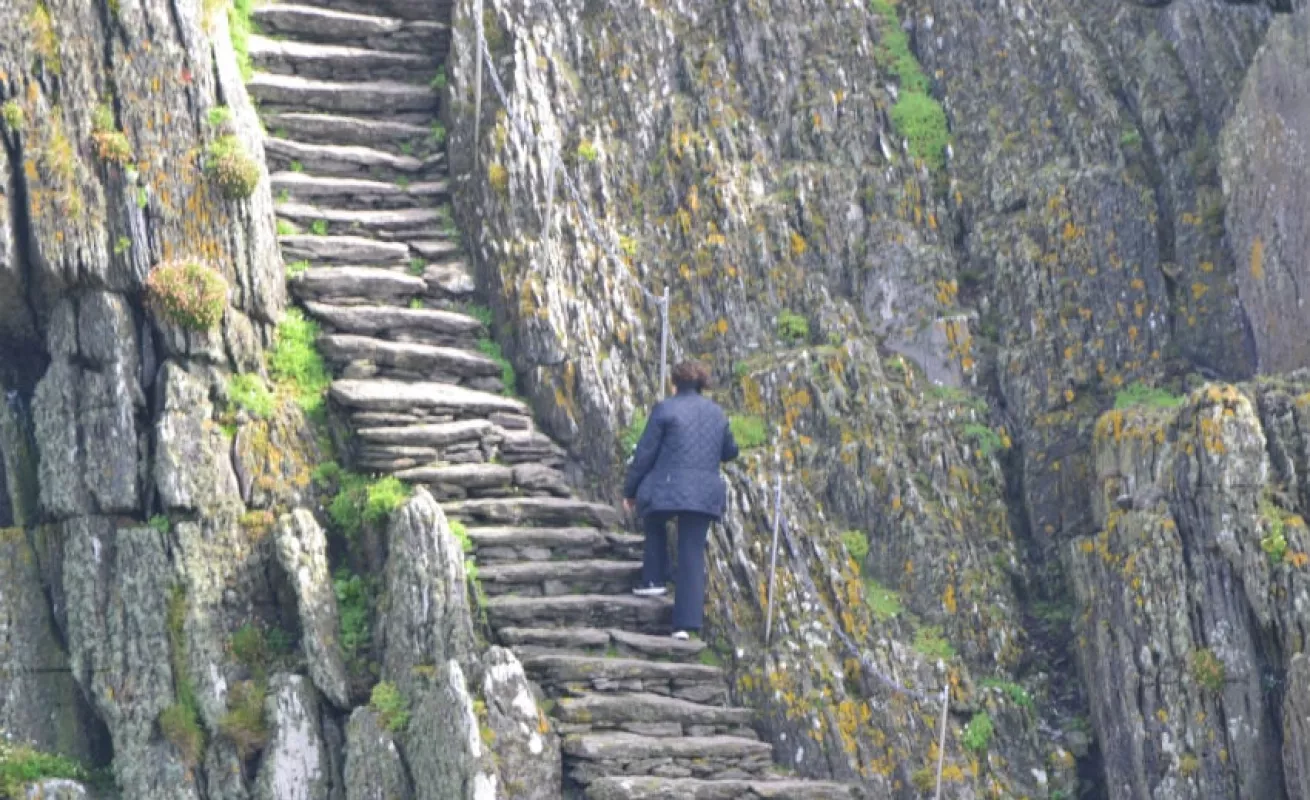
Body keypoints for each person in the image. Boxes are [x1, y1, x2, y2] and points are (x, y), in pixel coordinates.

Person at [623, 360, 739, 640]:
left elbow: (645, 454)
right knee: (691, 552)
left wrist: (630, 491)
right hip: (705, 493)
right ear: (701, 385)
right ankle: (685, 625)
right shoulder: (717, 414)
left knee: (653, 517)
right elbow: (730, 451)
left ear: (674, 383)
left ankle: (654, 579)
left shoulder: (665, 409)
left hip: (667, 487)